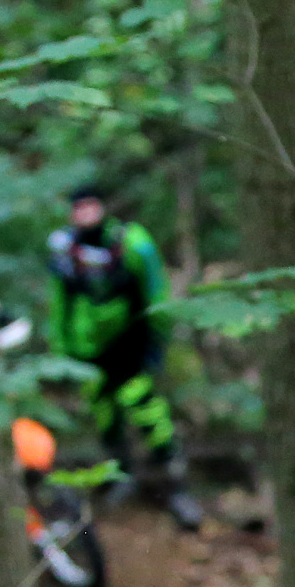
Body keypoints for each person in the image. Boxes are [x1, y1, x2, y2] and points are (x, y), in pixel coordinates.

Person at [46, 185, 201, 531]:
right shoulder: (65, 251)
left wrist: (157, 337)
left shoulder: (131, 243)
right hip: (88, 352)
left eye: (91, 206)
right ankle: (121, 476)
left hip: (132, 343)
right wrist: (62, 354)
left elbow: (155, 288)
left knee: (147, 410)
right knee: (105, 414)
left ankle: (174, 482)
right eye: (79, 207)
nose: (85, 214)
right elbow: (59, 304)